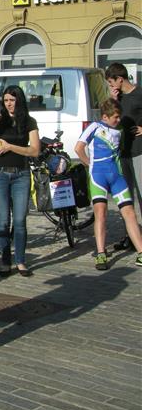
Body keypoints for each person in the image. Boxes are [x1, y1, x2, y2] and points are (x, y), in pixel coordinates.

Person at [74, 99, 142, 270]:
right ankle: (101, 253)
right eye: (116, 117)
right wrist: (89, 164)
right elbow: (78, 148)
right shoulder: (94, 127)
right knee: (101, 213)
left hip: (117, 176)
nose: (118, 120)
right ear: (105, 116)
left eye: (119, 117)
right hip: (98, 177)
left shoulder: (119, 128)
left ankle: (141, 252)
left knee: (130, 213)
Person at [0, 85, 40, 277]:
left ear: (20, 101)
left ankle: (21, 261)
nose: (9, 104)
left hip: (21, 175)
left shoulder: (29, 122)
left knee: (19, 220)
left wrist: (10, 147)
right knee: (3, 221)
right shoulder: (0, 121)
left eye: (12, 100)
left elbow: (35, 150)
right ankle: (5, 261)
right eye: (6, 100)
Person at [105, 63, 142, 251]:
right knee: (126, 198)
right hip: (123, 153)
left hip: (139, 151)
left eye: (112, 82)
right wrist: (113, 100)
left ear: (120, 79)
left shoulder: (139, 94)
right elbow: (109, 121)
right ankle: (130, 236)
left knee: (141, 195)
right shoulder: (117, 98)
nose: (111, 86)